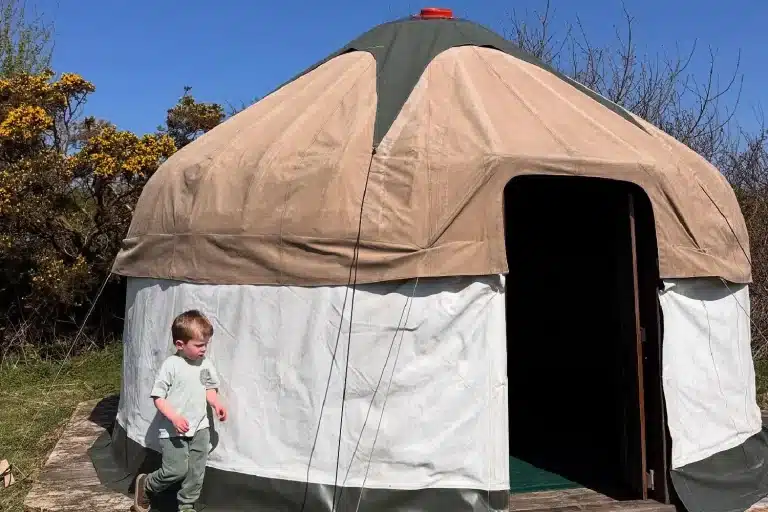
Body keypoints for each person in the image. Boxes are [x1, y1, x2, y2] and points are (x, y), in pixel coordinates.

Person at [132, 309, 227, 512]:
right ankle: (147, 484)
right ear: (180, 345)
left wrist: (216, 403)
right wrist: (174, 417)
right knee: (176, 470)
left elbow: (209, 388)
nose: (204, 349)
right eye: (199, 345)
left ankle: (186, 506)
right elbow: (158, 397)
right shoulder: (171, 365)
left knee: (196, 471)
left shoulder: (205, 364)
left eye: (206, 345)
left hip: (200, 426)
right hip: (173, 430)